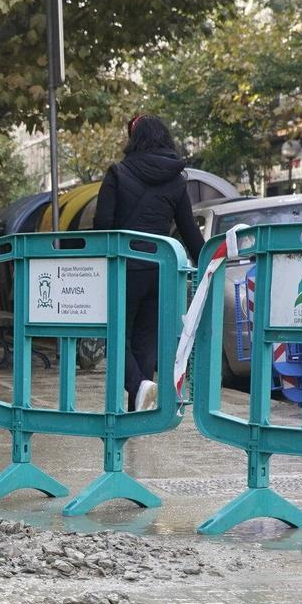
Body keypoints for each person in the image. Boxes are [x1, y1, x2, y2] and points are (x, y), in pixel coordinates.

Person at [94, 114, 205, 412]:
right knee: (145, 340)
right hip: (161, 270)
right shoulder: (177, 181)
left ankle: (138, 385)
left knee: (113, 332)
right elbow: (189, 231)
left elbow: (102, 225)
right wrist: (208, 263)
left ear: (135, 139)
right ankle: (137, 409)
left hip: (125, 268)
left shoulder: (117, 173)